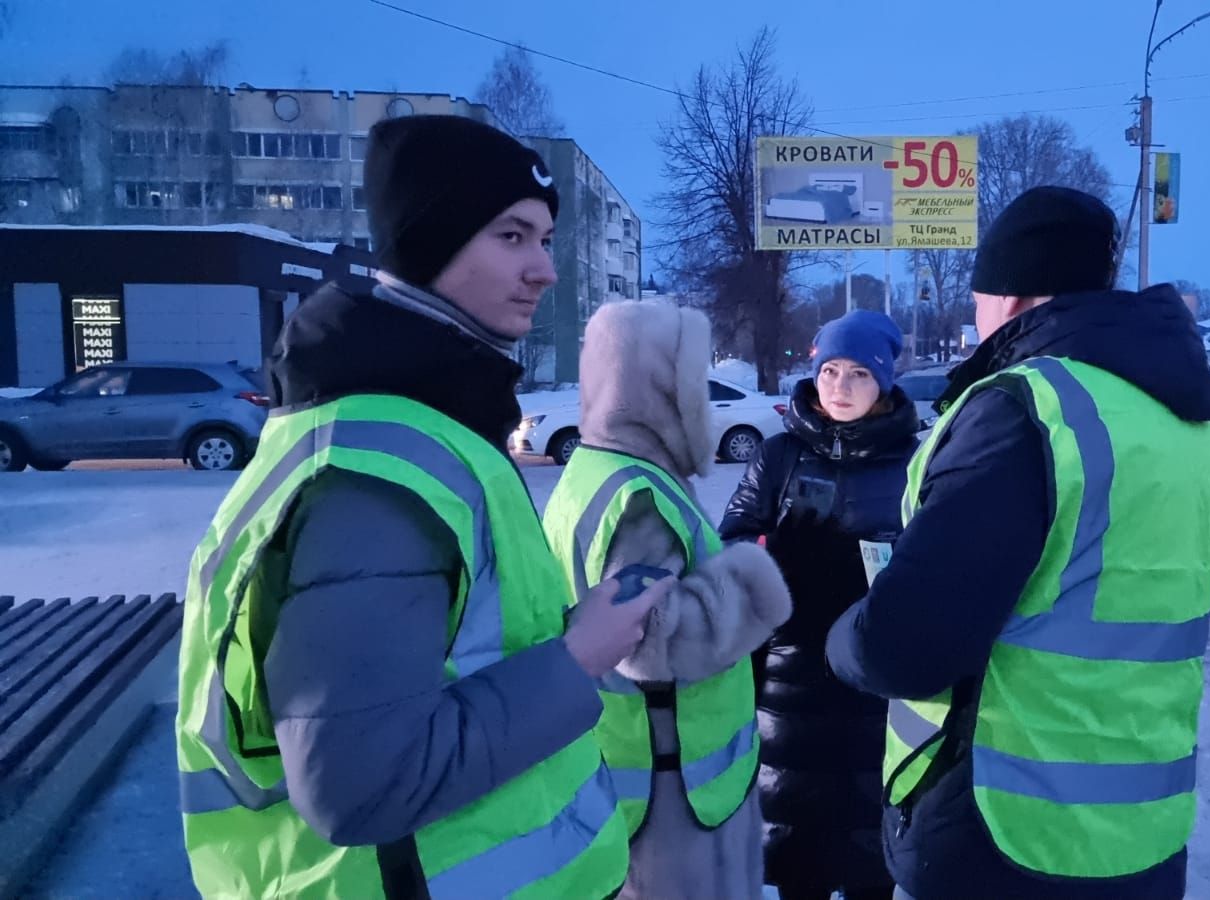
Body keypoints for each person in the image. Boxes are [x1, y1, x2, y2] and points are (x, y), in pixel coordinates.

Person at [174, 115, 669, 899]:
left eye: (544, 239)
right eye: (511, 237)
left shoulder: (423, 427)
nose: (543, 269)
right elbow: (359, 784)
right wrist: (579, 656)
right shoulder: (378, 469)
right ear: (427, 242)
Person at [825, 186, 1210, 900]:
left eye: (980, 299)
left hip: (1005, 838)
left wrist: (843, 636)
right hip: (1143, 833)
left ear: (1010, 299)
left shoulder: (1025, 409)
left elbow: (905, 647)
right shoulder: (1186, 419)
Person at [543, 299, 794, 900]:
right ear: (657, 385)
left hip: (643, 769)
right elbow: (657, 641)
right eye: (689, 378)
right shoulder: (637, 497)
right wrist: (755, 573)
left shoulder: (593, 471)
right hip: (673, 789)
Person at [719, 310, 919, 900]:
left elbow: (939, 551)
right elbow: (729, 542)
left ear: (884, 380)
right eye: (830, 370)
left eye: (859, 373)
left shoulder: (914, 458)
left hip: (876, 682)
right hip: (788, 680)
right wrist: (773, 556)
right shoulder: (779, 454)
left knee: (868, 856)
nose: (839, 386)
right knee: (797, 855)